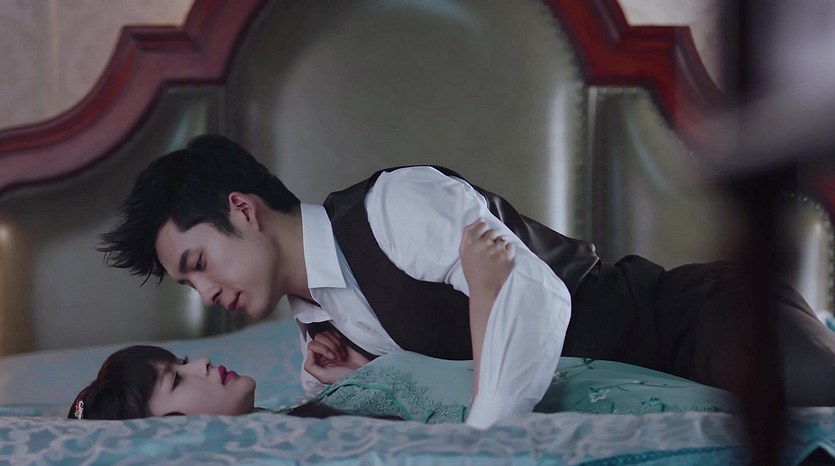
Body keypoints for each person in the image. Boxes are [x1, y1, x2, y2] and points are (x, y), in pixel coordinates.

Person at [99, 134, 835, 428]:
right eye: (189, 289)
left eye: (198, 266)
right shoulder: (320, 336)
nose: (206, 296)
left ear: (243, 210)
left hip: (690, 322)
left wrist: (483, 444)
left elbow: (534, 296)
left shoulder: (395, 206)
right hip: (634, 396)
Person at [71, 229, 739, 421]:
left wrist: (366, 375)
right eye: (175, 379)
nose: (197, 362)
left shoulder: (297, 413)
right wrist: (483, 301)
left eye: (177, 362)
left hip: (690, 310)